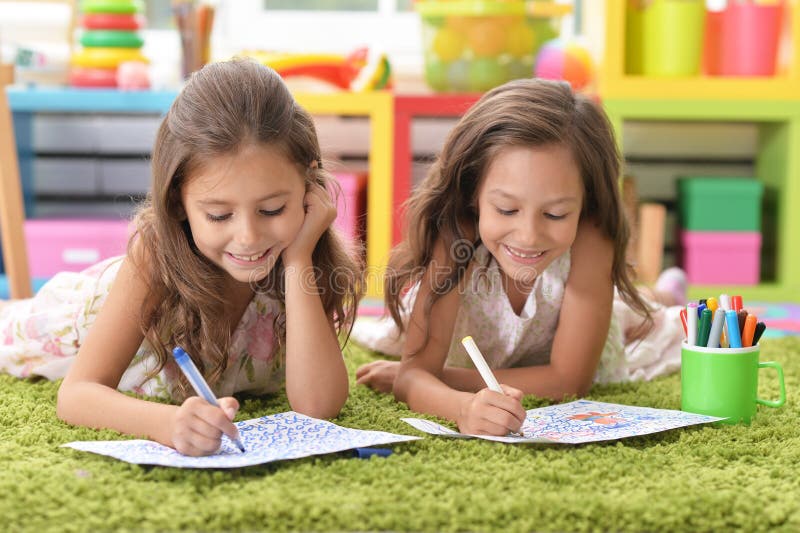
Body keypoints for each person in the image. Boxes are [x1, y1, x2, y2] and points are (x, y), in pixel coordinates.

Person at [0, 59, 362, 455]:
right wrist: (168, 424)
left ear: (310, 188)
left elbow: (318, 406)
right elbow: (77, 395)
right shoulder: (155, 256)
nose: (248, 237)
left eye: (272, 210)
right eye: (219, 215)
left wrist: (298, 258)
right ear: (178, 202)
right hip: (63, 325)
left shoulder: (301, 257)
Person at [353, 79, 686, 436]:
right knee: (624, 308)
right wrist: (461, 407)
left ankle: (667, 291)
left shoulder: (591, 237)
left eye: (556, 214)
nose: (529, 236)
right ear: (473, 192)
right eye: (507, 209)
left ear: (584, 201)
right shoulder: (456, 234)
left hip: (574, 311)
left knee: (640, 318)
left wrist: (439, 379)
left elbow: (568, 380)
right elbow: (416, 374)